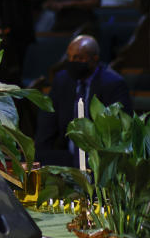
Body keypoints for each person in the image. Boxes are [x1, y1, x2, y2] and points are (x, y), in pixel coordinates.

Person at [35, 35, 133, 167]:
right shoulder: (62, 80)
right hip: (68, 154)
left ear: (95, 59)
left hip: (100, 157)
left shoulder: (113, 84)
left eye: (78, 58)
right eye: (69, 57)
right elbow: (47, 123)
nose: (72, 62)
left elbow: (120, 128)